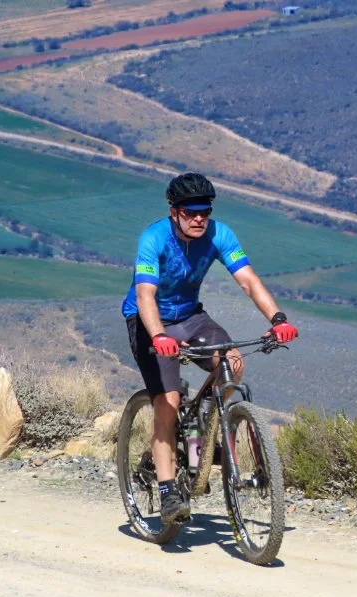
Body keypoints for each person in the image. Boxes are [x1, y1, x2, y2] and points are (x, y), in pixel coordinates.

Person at [122, 172, 298, 525]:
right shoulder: (153, 238)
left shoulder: (220, 234)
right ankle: (169, 487)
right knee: (168, 401)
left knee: (231, 363)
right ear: (175, 212)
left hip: (190, 317)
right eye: (191, 212)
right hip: (149, 322)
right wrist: (159, 337)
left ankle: (203, 422)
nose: (200, 218)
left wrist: (277, 319)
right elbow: (145, 296)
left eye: (205, 210)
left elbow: (248, 280)